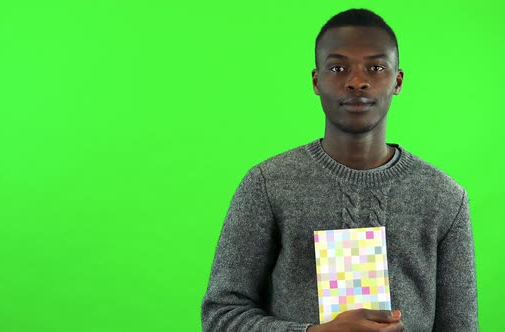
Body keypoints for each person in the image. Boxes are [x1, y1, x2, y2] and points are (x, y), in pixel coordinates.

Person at [201, 8, 478, 332]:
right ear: (317, 81)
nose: (357, 81)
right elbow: (220, 315)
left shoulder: (445, 198)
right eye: (338, 67)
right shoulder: (268, 185)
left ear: (397, 80)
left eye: (375, 67)